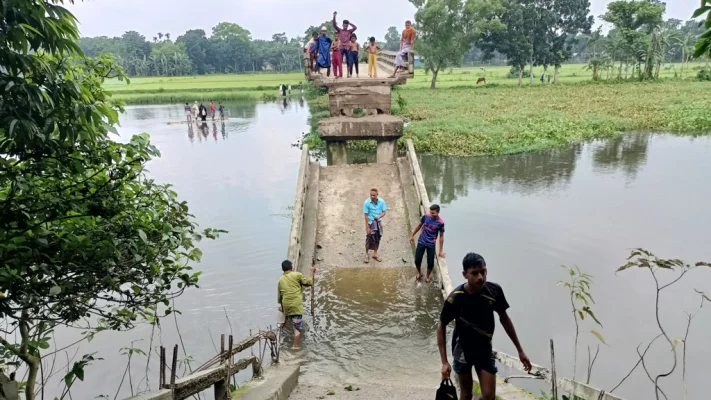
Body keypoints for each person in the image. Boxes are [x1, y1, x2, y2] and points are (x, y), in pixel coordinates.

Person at [437, 253, 532, 400]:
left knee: (489, 396)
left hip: (484, 348)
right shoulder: (456, 298)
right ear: (465, 275)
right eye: (475, 273)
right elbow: (441, 324)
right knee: (466, 394)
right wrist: (444, 362)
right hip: (462, 348)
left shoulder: (494, 291)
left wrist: (520, 350)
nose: (480, 277)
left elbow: (504, 318)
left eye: (483, 271)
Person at [277, 260, 316, 349]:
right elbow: (309, 282)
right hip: (296, 306)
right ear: (291, 267)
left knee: (291, 318)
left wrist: (282, 307)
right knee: (297, 329)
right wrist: (311, 272)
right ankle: (295, 345)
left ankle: (290, 320)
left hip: (286, 306)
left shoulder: (280, 280)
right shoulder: (297, 275)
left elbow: (280, 297)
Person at [409, 204, 445, 283]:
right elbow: (419, 225)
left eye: (433, 213)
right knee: (417, 260)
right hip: (421, 241)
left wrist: (441, 250)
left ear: (438, 212)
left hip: (431, 244)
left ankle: (427, 276)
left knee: (431, 262)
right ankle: (419, 273)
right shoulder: (425, 217)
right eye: (430, 212)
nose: (431, 214)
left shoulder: (440, 223)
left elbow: (441, 236)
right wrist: (412, 235)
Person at [363, 188, 387, 263]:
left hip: (378, 222)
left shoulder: (381, 201)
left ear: (377, 195)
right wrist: (367, 227)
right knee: (369, 238)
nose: (372, 196)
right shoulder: (366, 203)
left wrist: (379, 216)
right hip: (370, 222)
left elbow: (384, 212)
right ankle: (367, 254)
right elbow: (366, 216)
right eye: (371, 195)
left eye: (374, 195)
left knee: (378, 238)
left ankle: (375, 254)